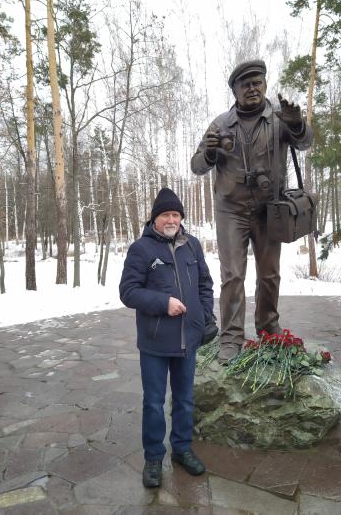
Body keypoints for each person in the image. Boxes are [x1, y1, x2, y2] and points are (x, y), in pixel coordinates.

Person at [191, 59, 313, 363]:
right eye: (245, 85)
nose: (252, 88)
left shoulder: (278, 119)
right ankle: (231, 337)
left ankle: (269, 328)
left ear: (265, 85)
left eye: (257, 82)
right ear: (235, 91)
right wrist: (208, 152)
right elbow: (196, 166)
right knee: (232, 274)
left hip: (268, 209)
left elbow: (305, 142)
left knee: (269, 274)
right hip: (230, 209)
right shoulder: (221, 123)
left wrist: (297, 123)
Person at [119, 187, 214, 488]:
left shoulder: (194, 246)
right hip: (155, 344)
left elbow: (205, 285)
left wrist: (204, 316)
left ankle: (182, 449)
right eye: (165, 215)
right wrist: (164, 303)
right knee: (154, 403)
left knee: (185, 401)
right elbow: (128, 292)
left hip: (189, 340)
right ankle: (153, 458)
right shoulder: (141, 249)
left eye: (175, 214)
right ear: (155, 219)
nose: (171, 219)